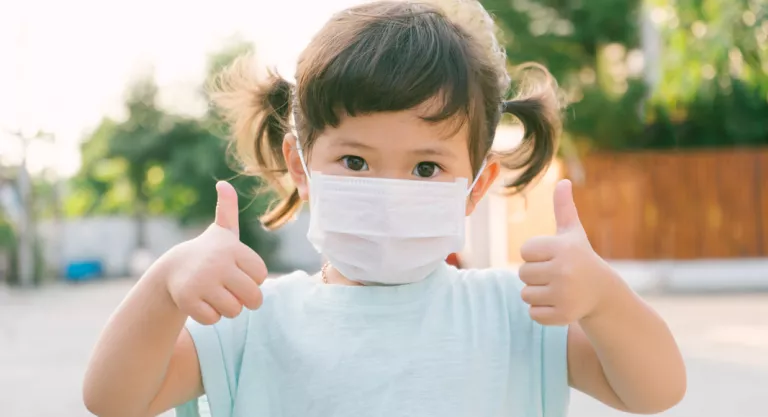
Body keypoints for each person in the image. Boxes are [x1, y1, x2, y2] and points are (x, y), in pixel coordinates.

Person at [82, 1, 686, 416]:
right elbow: (113, 399)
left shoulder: (515, 315)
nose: (391, 191)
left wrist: (604, 298)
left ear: (475, 186)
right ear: (301, 165)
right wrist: (163, 287)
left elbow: (656, 390)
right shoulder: (251, 322)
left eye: (426, 168)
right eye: (356, 162)